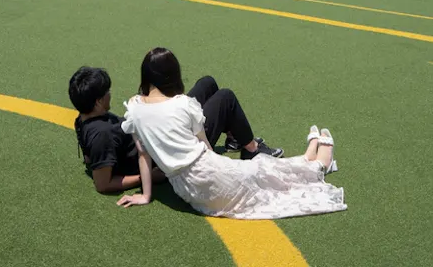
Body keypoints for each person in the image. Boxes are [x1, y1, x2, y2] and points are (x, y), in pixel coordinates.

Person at [116, 48, 344, 219]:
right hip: (208, 175)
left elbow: (143, 155)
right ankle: (318, 165)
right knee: (263, 174)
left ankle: (306, 159)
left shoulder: (134, 109)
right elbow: (205, 147)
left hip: (185, 189)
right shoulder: (182, 104)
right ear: (173, 75)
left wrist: (146, 196)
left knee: (261, 172)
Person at [69, 67, 281, 196]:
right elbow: (103, 184)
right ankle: (251, 149)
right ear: (97, 102)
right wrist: (149, 176)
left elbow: (90, 157)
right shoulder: (101, 135)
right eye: (107, 93)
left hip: (158, 132)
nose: (110, 95)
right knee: (225, 97)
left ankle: (234, 138)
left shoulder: (84, 118)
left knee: (207, 84)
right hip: (173, 148)